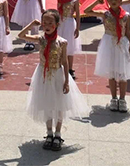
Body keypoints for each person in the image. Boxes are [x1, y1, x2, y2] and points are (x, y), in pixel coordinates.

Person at [17, 9, 88, 152]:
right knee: (47, 104)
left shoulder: (62, 42)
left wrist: (66, 81)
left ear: (57, 24)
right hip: (43, 74)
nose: (47, 26)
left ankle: (58, 134)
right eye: (45, 23)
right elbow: (21, 35)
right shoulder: (40, 39)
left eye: (51, 23)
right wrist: (32, 24)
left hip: (57, 74)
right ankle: (49, 133)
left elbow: (65, 62)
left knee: (59, 105)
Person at [84, 0, 130, 112]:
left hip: (122, 44)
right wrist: (97, 2)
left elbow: (128, 32)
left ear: (121, 0)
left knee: (122, 74)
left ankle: (122, 99)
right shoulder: (105, 14)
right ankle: (113, 98)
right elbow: (87, 11)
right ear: (107, 0)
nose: (114, 1)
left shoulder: (126, 15)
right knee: (112, 73)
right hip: (108, 44)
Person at [41, 0, 81, 79]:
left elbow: (77, 15)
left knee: (69, 46)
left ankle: (70, 69)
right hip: (59, 23)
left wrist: (78, 28)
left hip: (69, 24)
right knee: (58, 44)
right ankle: (59, 66)